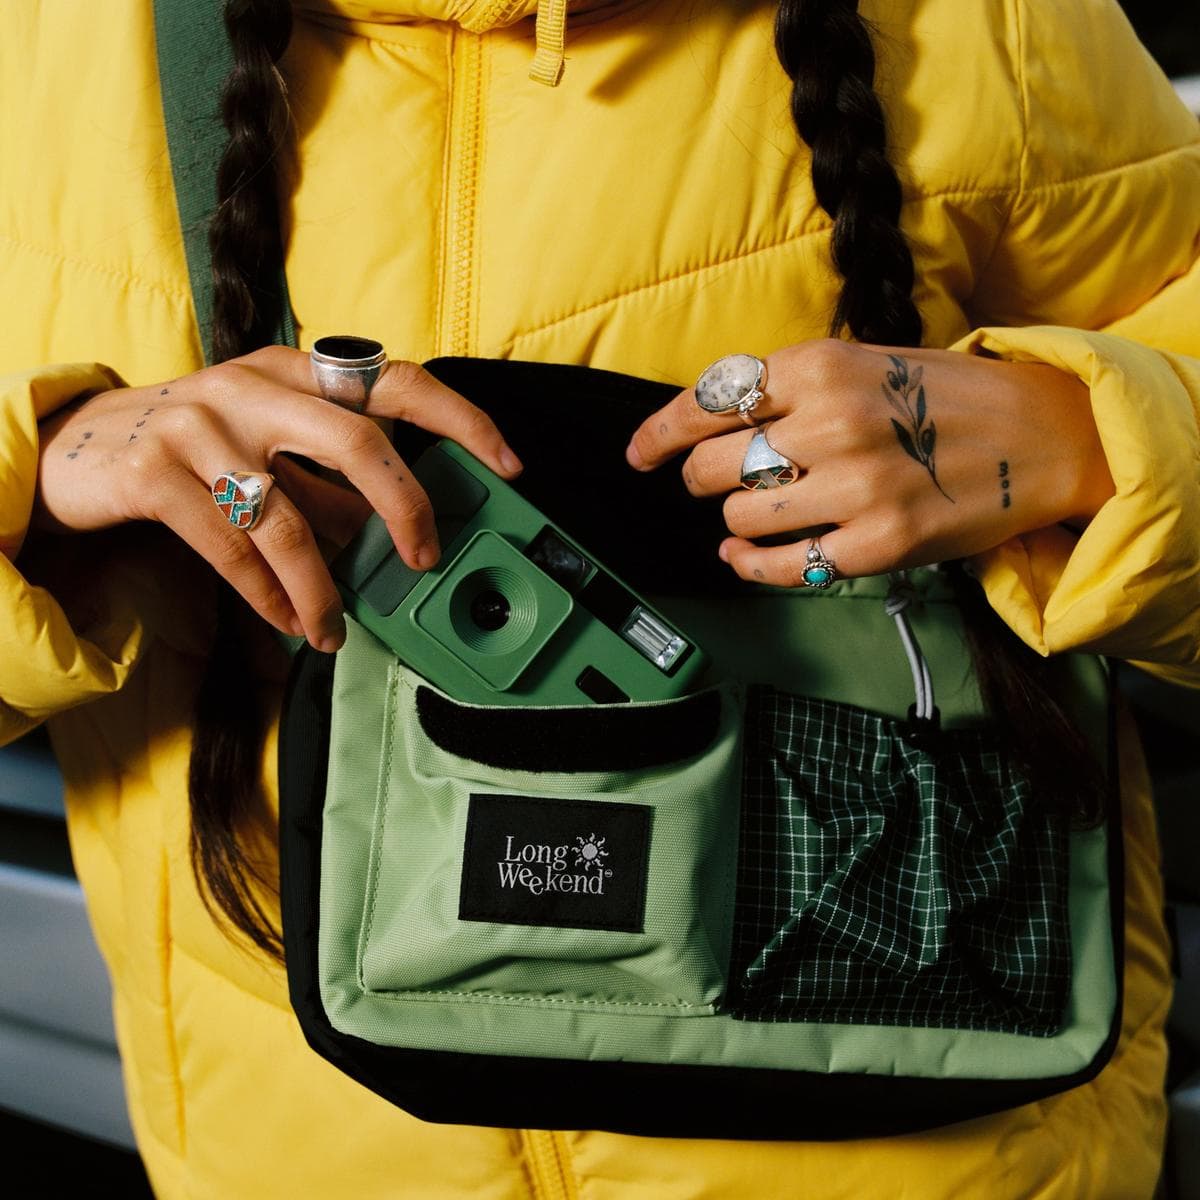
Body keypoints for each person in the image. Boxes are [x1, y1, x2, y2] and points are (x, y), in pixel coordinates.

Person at [2, 0, 1197, 1195]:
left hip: (944, 1136)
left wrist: (1086, 439)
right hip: (283, 1144)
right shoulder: (49, 46)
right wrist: (53, 463)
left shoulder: (995, 24)